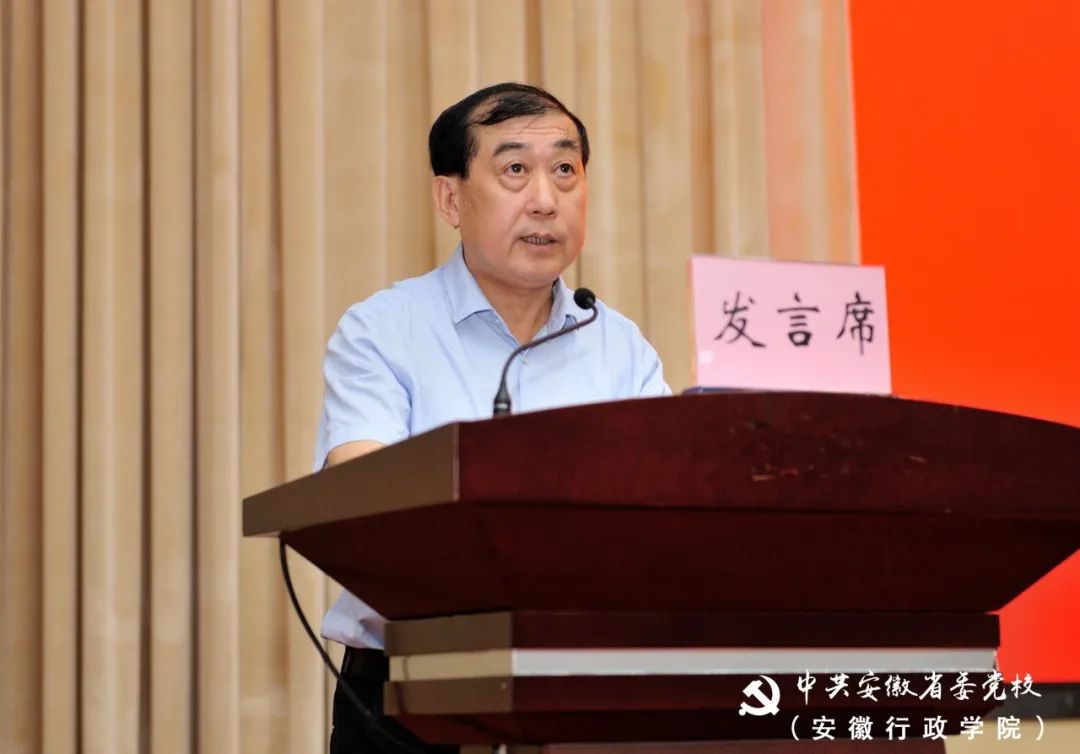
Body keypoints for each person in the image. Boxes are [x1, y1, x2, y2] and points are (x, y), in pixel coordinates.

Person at [315, 82, 671, 753]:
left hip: (585, 691)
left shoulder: (618, 344)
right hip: (410, 699)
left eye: (564, 170)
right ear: (450, 199)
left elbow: (667, 514)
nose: (545, 199)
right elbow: (363, 503)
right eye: (514, 170)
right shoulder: (383, 331)